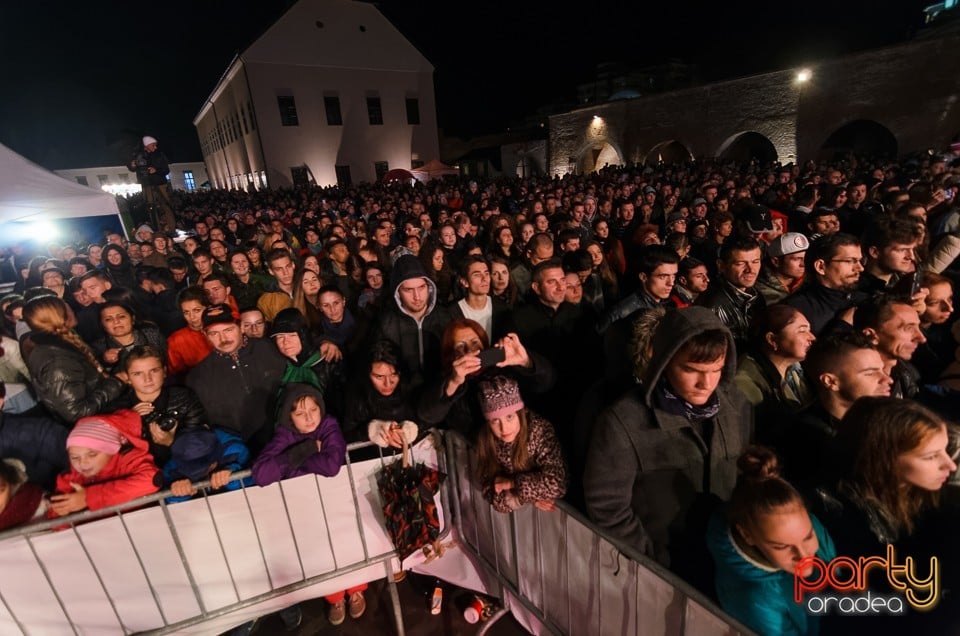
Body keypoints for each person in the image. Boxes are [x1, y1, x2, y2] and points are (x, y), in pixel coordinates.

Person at [583, 307, 752, 591]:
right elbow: (608, 509)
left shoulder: (736, 405)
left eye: (716, 370)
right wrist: (653, 562)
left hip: (728, 561)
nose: (706, 383)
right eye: (691, 370)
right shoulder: (623, 421)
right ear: (664, 360)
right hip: (665, 571)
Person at [811, 397, 959, 633]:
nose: (950, 466)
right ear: (884, 459)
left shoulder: (926, 499)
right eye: (931, 456)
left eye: (944, 451)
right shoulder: (836, 519)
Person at [250, 383, 362, 625]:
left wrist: (292, 464)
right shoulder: (284, 435)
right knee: (320, 553)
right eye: (300, 414)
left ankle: (356, 589)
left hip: (334, 502)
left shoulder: (328, 425)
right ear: (289, 417)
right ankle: (334, 597)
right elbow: (260, 474)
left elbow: (332, 465)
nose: (310, 418)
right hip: (305, 509)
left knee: (346, 544)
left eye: (313, 409)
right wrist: (307, 449)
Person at [706, 446, 835, 636]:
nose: (804, 555)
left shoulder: (808, 525)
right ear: (747, 535)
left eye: (808, 537)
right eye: (782, 547)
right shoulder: (755, 600)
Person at [186, 305, 287, 455]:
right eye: (214, 333)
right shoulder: (198, 377)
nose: (223, 339)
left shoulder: (268, 349)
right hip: (242, 454)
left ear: (241, 327)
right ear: (205, 335)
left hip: (285, 440)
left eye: (228, 330)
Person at [21, 296, 126, 424]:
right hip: (97, 423)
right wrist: (116, 383)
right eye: (66, 307)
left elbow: (82, 374)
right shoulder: (57, 360)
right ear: (59, 316)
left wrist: (104, 361)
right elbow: (75, 412)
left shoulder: (62, 341)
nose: (71, 309)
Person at [475, 375, 566, 513]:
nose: (504, 428)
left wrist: (511, 483)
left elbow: (557, 483)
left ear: (520, 413)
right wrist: (526, 497)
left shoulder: (539, 430)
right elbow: (490, 493)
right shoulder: (487, 439)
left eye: (509, 417)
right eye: (495, 421)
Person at [110, 346, 208, 468]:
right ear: (127, 378)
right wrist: (128, 420)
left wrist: (173, 442)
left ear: (164, 371)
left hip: (183, 471)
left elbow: (203, 440)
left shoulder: (184, 397)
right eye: (138, 374)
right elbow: (111, 453)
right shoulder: (117, 408)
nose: (148, 379)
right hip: (140, 475)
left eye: (154, 370)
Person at [49, 411, 160, 517]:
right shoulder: (70, 477)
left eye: (92, 454)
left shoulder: (128, 459)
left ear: (111, 449)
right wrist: (62, 513)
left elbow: (152, 479)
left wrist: (90, 497)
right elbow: (56, 515)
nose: (82, 463)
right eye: (74, 457)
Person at [735, 304, 815, 435]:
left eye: (809, 330)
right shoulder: (745, 381)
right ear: (772, 339)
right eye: (802, 330)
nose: (812, 337)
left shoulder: (795, 370)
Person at [695, 236, 766, 351]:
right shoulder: (710, 306)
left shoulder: (757, 296)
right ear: (722, 265)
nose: (750, 269)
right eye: (741, 263)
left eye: (755, 262)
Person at [162, 426, 251, 504]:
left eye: (201, 470)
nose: (198, 475)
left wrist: (232, 476)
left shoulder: (236, 450)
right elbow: (166, 499)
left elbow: (253, 479)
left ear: (213, 463)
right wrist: (178, 492)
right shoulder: (174, 463)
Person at [91, 301, 166, 373]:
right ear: (102, 325)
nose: (116, 322)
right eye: (108, 319)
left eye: (121, 317)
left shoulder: (152, 335)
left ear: (132, 319)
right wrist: (106, 362)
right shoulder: (98, 347)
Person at [129, 135, 176, 232]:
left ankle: (172, 228)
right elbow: (133, 167)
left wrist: (156, 170)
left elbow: (166, 170)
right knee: (151, 207)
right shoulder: (138, 155)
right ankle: (157, 229)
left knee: (166, 205)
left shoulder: (160, 155)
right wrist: (132, 165)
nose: (156, 147)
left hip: (160, 183)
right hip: (146, 184)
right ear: (146, 145)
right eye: (153, 145)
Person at [165, 286, 213, 379]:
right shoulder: (176, 340)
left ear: (208, 308)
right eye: (186, 312)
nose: (192, 317)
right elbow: (175, 375)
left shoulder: (222, 330)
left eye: (197, 310)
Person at [756, 232, 809, 304]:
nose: (803, 264)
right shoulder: (759, 292)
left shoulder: (808, 282)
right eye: (796, 259)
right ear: (776, 262)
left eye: (805, 258)